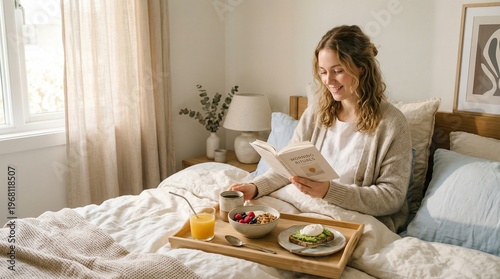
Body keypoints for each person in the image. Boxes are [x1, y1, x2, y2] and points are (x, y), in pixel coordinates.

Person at [228, 25, 412, 233]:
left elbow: (392, 198)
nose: (328, 81)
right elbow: (287, 169)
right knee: (249, 218)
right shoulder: (316, 113)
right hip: (304, 205)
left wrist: (329, 191)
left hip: (352, 217)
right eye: (323, 72)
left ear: (362, 67)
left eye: (338, 71)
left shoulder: (392, 123)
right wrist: (255, 187)